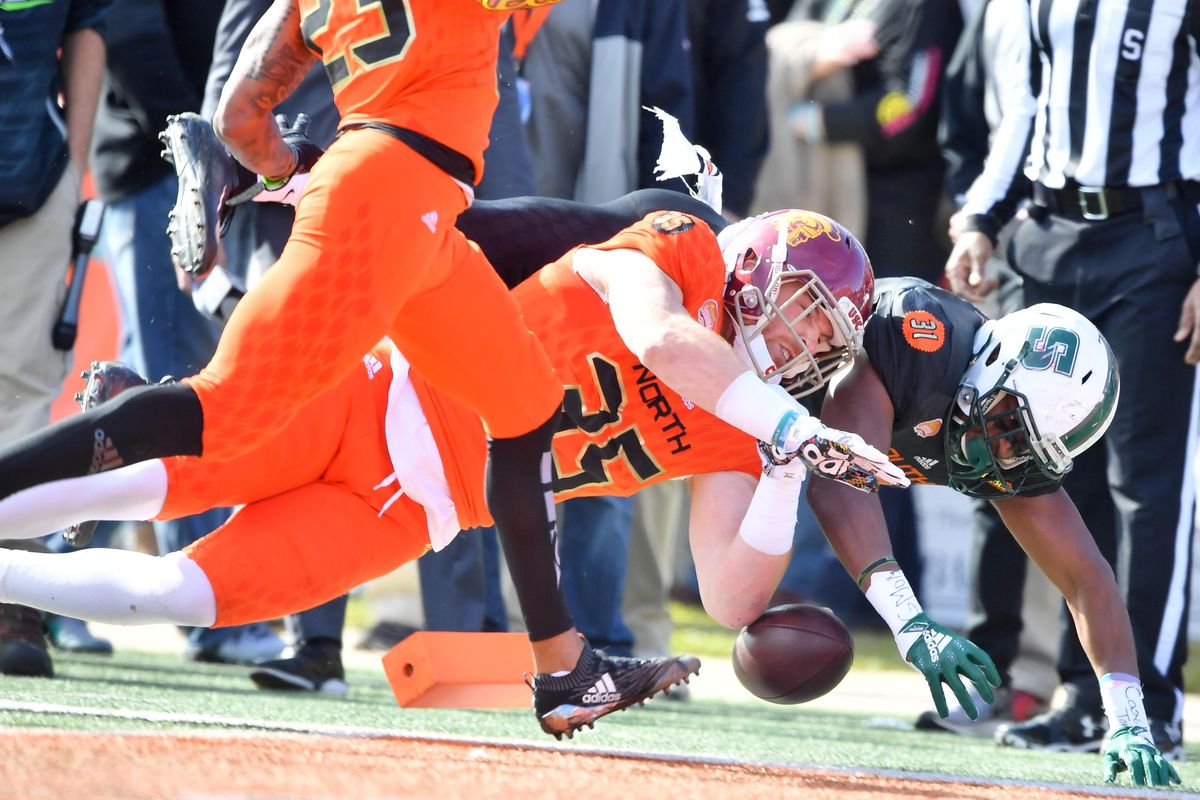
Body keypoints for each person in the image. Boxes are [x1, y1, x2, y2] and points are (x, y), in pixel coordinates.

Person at [0, 0, 700, 736]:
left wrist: (279, 172)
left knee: (528, 404)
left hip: (415, 203)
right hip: (396, 189)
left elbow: (240, 117)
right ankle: (133, 410)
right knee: (220, 413)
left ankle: (564, 669)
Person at [0, 203, 911, 734]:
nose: (798, 346)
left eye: (820, 341)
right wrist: (783, 419)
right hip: (372, 391)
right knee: (133, 483)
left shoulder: (747, 423)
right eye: (802, 311)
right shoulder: (682, 251)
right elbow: (658, 339)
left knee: (182, 594)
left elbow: (727, 598)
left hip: (415, 514)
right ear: (755, 267)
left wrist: (790, 461)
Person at [943, 0, 1200, 760]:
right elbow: (1024, 107)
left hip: (1154, 237)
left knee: (1145, 488)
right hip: (1046, 235)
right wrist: (978, 219)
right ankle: (1084, 695)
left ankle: (1150, 701)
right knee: (1050, 475)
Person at [804, 274, 1178, 788]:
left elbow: (1087, 580)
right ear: (993, 369)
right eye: (1009, 431)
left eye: (1029, 449)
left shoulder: (1012, 436)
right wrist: (910, 622)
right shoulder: (913, 339)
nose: (1007, 458)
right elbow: (838, 483)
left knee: (734, 597)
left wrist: (1129, 722)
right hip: (739, 389)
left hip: (773, 459)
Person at [0, 0, 109, 677]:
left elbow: (87, 25)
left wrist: (72, 161)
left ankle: (12, 598)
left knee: (19, 389)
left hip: (31, 174)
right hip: (36, 166)